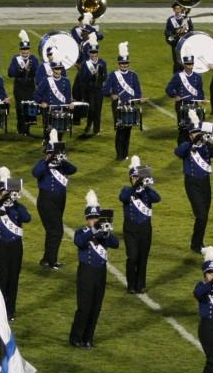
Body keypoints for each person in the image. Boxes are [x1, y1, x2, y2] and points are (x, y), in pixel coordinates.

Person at [68, 190, 119, 348]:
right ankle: (75, 338)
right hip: (86, 272)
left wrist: (106, 232)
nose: (94, 220)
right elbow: (79, 242)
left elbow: (116, 244)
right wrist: (93, 230)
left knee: (96, 307)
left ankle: (88, 338)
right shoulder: (82, 232)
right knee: (84, 307)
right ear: (87, 220)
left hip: (100, 273)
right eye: (92, 218)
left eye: (97, 218)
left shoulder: (104, 234)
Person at [0, 168, 31, 320]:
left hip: (16, 247)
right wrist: (2, 201)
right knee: (2, 277)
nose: (8, 194)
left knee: (13, 278)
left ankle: (10, 310)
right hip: (1, 246)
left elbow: (27, 218)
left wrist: (15, 203)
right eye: (5, 192)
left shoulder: (18, 208)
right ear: (0, 193)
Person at [176, 122, 213, 253]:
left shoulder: (206, 147)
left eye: (199, 133)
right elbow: (178, 152)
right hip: (192, 183)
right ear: (190, 135)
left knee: (204, 215)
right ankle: (196, 244)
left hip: (205, 182)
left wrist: (207, 142)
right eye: (195, 134)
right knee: (201, 215)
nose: (198, 136)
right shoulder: (187, 146)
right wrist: (192, 143)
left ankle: (197, 242)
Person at [34, 129, 77, 269]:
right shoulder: (43, 164)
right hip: (46, 201)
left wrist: (62, 160)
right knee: (56, 231)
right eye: (50, 153)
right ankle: (51, 261)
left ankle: (47, 260)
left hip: (60, 200)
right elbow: (35, 172)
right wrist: (48, 160)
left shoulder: (62, 166)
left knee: (52, 231)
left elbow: (73, 169)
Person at [120, 156, 161, 295]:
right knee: (132, 257)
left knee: (143, 257)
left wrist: (146, 186)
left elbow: (157, 198)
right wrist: (136, 186)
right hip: (130, 229)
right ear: (130, 178)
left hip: (145, 229)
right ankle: (131, 284)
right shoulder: (126, 190)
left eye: (138, 177)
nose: (136, 180)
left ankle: (140, 285)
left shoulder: (147, 193)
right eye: (134, 177)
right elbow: (123, 198)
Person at [102, 42, 143, 161]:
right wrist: (112, 94)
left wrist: (139, 98)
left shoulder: (133, 75)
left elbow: (138, 92)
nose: (124, 65)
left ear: (128, 63)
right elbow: (104, 90)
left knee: (128, 130)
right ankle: (119, 154)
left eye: (126, 63)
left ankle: (125, 154)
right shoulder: (113, 75)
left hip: (130, 106)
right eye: (122, 63)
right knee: (120, 129)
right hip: (118, 106)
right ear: (119, 64)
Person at [166, 54, 205, 145]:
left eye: (191, 64)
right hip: (181, 106)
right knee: (183, 129)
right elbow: (168, 89)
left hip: (194, 105)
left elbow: (200, 92)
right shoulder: (178, 76)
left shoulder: (197, 77)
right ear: (184, 64)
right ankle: (182, 149)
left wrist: (202, 99)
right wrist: (175, 95)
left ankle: (193, 149)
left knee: (195, 129)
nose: (190, 66)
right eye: (188, 64)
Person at [8, 30, 39, 137]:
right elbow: (10, 73)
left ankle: (26, 129)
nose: (25, 51)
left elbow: (37, 72)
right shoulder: (15, 59)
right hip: (19, 86)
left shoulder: (33, 59)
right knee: (20, 108)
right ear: (20, 50)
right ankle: (20, 128)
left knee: (29, 108)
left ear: (29, 49)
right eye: (23, 49)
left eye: (27, 49)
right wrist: (21, 70)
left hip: (30, 87)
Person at [35, 62, 75, 142]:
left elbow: (68, 97)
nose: (58, 71)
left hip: (61, 110)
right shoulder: (46, 80)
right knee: (48, 132)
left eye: (59, 69)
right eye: (56, 69)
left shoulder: (66, 81)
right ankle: (48, 148)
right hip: (49, 110)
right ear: (52, 70)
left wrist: (70, 103)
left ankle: (58, 150)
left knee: (60, 132)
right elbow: (37, 94)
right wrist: (41, 102)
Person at [76, 34, 107, 137]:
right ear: (89, 53)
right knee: (91, 109)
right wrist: (92, 76)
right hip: (89, 90)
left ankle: (96, 129)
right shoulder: (85, 63)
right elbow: (82, 78)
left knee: (98, 109)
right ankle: (89, 125)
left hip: (99, 90)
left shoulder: (102, 63)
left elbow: (105, 77)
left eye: (95, 52)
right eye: (92, 52)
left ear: (98, 52)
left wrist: (100, 76)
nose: (94, 54)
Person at [164, 2, 193, 74]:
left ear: (181, 9)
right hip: (176, 44)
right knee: (177, 61)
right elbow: (167, 31)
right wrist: (173, 35)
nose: (177, 10)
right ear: (173, 10)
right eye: (176, 9)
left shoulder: (187, 18)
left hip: (185, 43)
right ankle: (177, 76)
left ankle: (187, 75)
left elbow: (191, 29)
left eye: (179, 8)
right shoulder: (170, 20)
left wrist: (186, 34)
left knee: (186, 60)